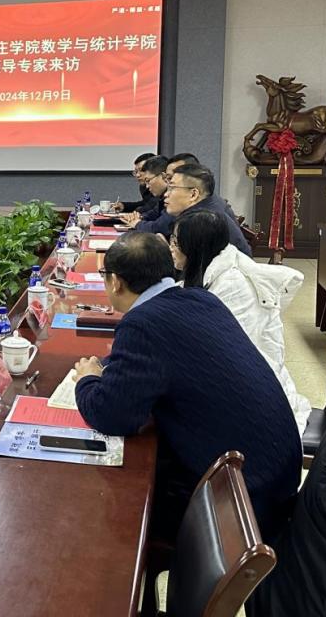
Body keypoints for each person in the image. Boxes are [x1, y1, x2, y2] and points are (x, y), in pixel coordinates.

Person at [72, 232, 301, 543]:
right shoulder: (200, 298)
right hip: (275, 476)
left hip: (241, 504)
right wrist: (109, 367)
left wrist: (87, 379)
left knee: (109, 510)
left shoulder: (142, 325)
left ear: (116, 283)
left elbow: (112, 416)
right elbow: (159, 359)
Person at [170, 210, 310, 438]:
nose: (171, 247)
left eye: (176, 242)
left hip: (253, 395)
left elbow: (225, 356)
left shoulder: (233, 286)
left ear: (194, 246)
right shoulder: (210, 270)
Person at [137, 164, 252, 254]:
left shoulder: (201, 221)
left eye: (172, 188)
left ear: (193, 194)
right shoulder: (203, 207)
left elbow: (188, 270)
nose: (166, 194)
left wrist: (165, 251)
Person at [119, 155, 169, 225]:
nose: (138, 175)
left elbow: (160, 225)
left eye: (148, 181)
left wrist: (137, 222)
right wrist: (140, 217)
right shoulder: (157, 192)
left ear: (164, 176)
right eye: (136, 171)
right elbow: (153, 212)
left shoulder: (173, 196)